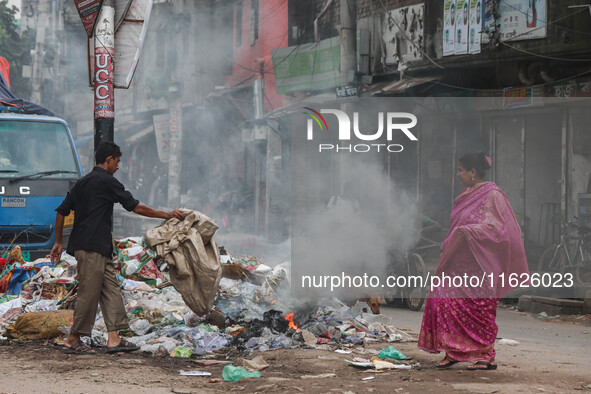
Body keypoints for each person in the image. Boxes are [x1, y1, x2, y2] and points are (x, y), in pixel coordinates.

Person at [50, 141, 184, 353]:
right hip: (92, 248)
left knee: (111, 289)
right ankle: (73, 339)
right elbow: (135, 207)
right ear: (109, 159)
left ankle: (114, 338)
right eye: (118, 161)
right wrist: (166, 215)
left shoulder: (82, 182)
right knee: (89, 292)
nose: (118, 166)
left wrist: (58, 241)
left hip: (99, 248)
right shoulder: (107, 181)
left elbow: (61, 211)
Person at [418, 151, 529, 371]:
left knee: (479, 311)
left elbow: (500, 230)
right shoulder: (466, 195)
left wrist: (469, 231)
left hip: (481, 266)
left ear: (473, 172)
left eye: (461, 170)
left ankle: (486, 357)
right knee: (442, 298)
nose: (458, 174)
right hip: (457, 264)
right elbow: (454, 227)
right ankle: (454, 351)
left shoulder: (493, 195)